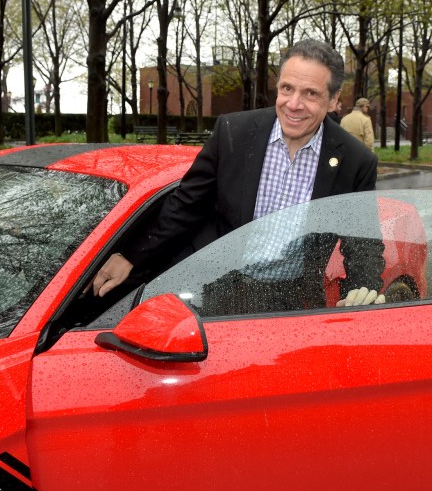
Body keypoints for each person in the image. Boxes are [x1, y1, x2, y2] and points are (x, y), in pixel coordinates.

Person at [92, 39, 385, 308]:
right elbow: (184, 205)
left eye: (310, 93)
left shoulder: (355, 161)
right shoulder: (233, 132)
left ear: (334, 100)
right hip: (213, 288)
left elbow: (362, 242)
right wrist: (133, 255)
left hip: (292, 302)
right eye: (287, 89)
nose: (294, 104)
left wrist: (363, 290)